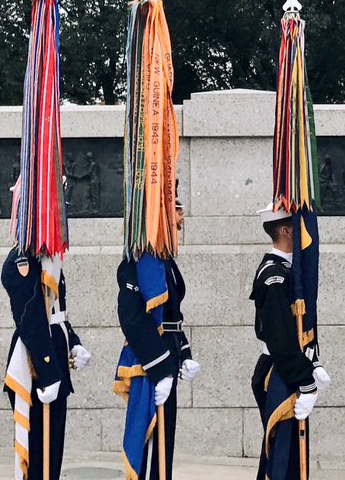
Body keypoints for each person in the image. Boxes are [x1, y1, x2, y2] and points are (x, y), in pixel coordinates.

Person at [1, 183, 91, 480]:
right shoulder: (22, 261)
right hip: (35, 366)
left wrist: (73, 343)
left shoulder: (49, 257)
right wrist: (49, 372)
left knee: (52, 456)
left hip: (54, 359)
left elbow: (55, 313)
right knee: (38, 457)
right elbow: (31, 321)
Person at [114, 196, 201, 479]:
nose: (182, 216)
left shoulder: (165, 260)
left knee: (165, 444)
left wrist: (184, 353)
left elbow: (172, 314)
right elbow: (132, 318)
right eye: (177, 210)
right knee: (151, 446)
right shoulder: (141, 260)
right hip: (151, 363)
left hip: (168, 356)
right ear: (162, 214)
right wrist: (161, 369)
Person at [250, 204, 328, 480]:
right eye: (298, 229)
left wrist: (313, 364)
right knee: (281, 458)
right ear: (286, 231)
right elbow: (280, 338)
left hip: (288, 367)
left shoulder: (287, 272)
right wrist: (305, 381)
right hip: (279, 371)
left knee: (291, 454)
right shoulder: (274, 276)